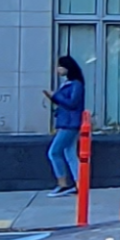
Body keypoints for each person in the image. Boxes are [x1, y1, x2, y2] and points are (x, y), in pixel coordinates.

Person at [42, 56, 85, 197]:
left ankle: (62, 184)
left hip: (70, 124)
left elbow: (72, 103)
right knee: (70, 153)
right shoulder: (68, 83)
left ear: (67, 67)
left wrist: (55, 96)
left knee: (54, 152)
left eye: (60, 66)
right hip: (66, 122)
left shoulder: (76, 84)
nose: (58, 69)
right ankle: (79, 183)